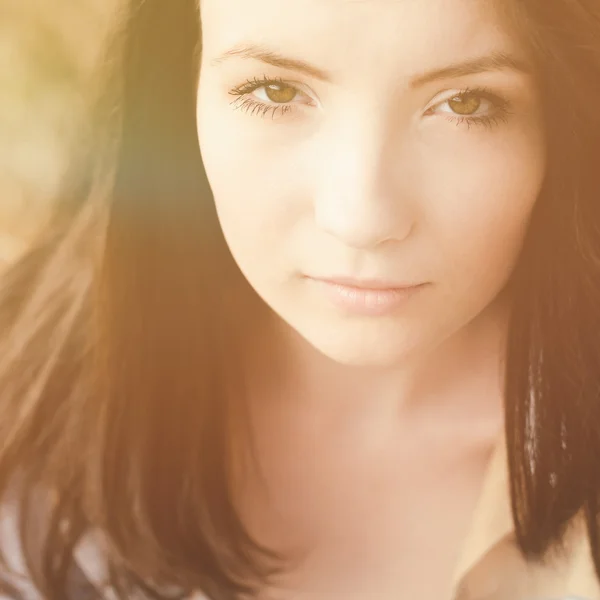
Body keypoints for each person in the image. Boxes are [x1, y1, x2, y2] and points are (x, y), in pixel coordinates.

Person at [1, 0, 600, 598]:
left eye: (465, 103)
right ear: (179, 90)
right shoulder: (22, 399)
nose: (361, 217)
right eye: (277, 91)